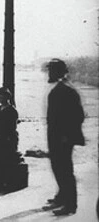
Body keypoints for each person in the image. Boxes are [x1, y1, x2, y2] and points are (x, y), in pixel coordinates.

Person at [45, 58, 85, 216]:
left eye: (51, 70)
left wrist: (66, 137)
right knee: (58, 168)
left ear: (57, 71)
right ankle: (62, 197)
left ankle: (70, 205)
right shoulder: (62, 87)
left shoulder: (66, 89)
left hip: (62, 139)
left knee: (65, 170)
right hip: (57, 138)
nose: (49, 73)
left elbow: (78, 116)